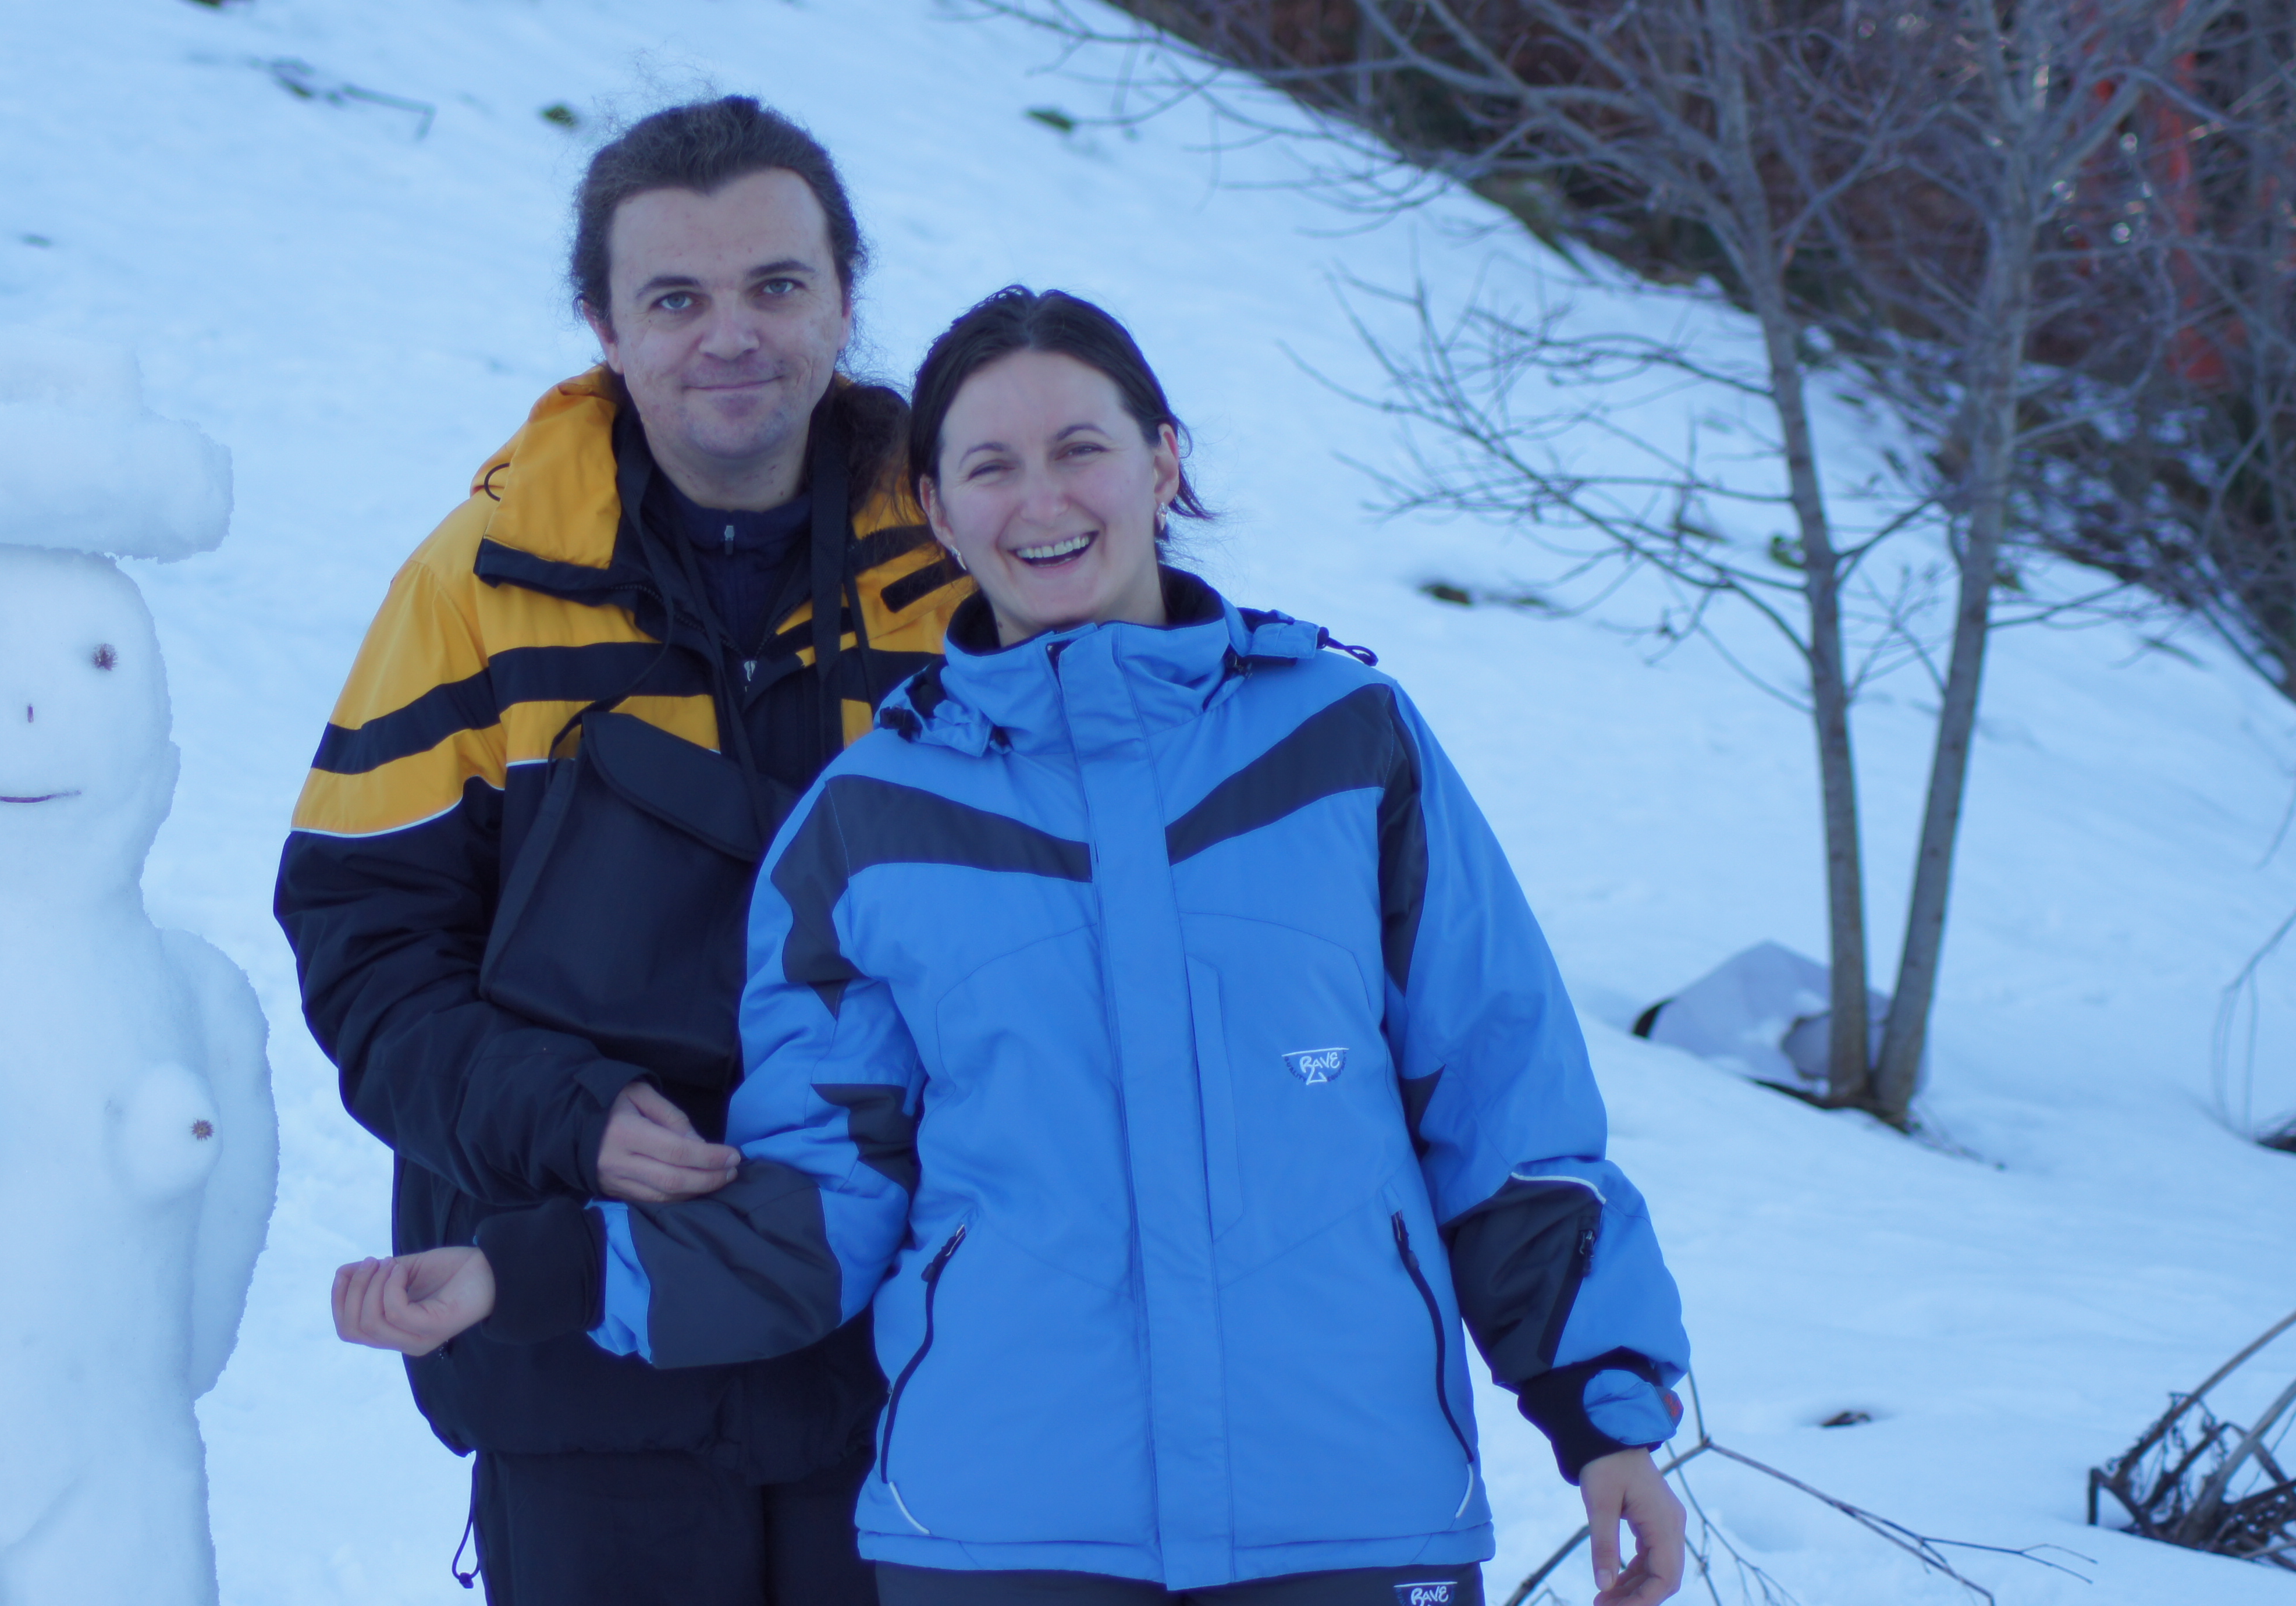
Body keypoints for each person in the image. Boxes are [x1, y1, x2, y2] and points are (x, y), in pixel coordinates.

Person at [336, 288, 1693, 1606]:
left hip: (1346, 1510)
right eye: (989, 466)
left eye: (1079, 448)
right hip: (1001, 1535)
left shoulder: (1342, 744)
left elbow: (1499, 1099)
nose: (1041, 501)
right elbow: (817, 1203)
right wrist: (524, 1271)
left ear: (1162, 462)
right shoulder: (869, 822)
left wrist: (1604, 1414)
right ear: (936, 511)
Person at [278, 98, 968, 1606]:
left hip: (915, 1352)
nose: (732, 336)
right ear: (601, 322)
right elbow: (364, 945)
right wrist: (563, 1114)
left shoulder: (965, 569)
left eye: (775, 285)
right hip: (571, 1337)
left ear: (845, 295)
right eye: (675, 299)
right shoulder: (477, 586)